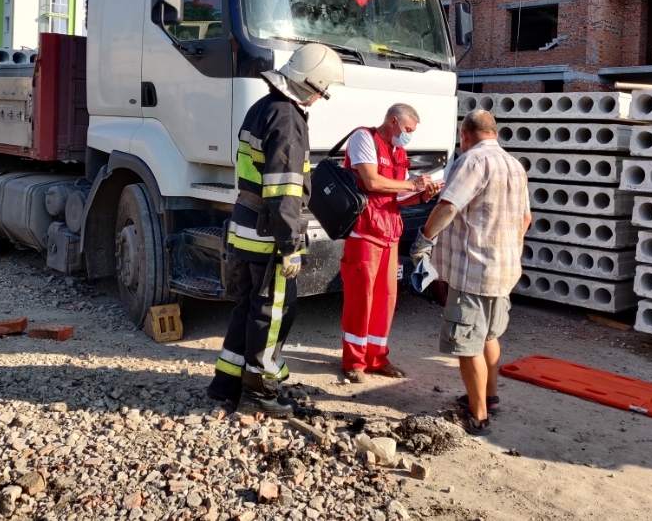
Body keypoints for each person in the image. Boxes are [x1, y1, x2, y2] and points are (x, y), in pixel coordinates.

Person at [207, 43, 345, 417]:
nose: (320, 98)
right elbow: (284, 189)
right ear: (308, 84)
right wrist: (290, 246)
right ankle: (260, 392)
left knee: (249, 309)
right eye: (321, 90)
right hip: (269, 236)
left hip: (245, 227)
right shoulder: (287, 118)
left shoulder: (261, 108)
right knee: (272, 314)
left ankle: (226, 383)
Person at [411, 110, 531, 436]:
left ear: (465, 136)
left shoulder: (473, 162)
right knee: (490, 336)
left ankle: (477, 415)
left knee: (467, 346)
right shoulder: (515, 166)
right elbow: (525, 220)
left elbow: (449, 206)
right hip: (503, 270)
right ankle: (489, 397)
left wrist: (423, 240)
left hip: (473, 270)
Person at [340, 103, 436, 382]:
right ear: (393, 122)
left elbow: (398, 194)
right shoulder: (363, 138)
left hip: (388, 232)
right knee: (361, 297)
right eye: (407, 130)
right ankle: (354, 362)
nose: (408, 136)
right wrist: (413, 185)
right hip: (364, 232)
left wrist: (423, 194)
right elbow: (371, 181)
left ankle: (377, 357)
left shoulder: (399, 152)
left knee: (386, 298)